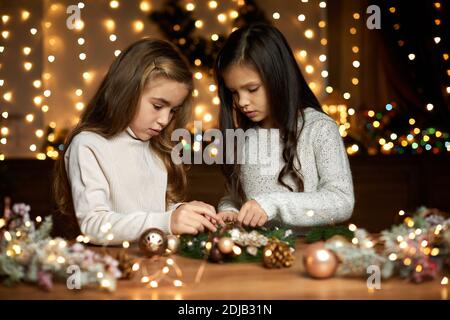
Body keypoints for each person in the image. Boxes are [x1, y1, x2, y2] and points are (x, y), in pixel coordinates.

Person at [54, 38, 222, 245]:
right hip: (113, 269)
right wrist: (168, 221)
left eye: (173, 111)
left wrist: (181, 212)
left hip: (158, 266)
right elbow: (94, 225)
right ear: (127, 91)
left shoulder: (158, 147)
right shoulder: (88, 145)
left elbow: (154, 212)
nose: (164, 120)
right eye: (158, 106)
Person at [214, 24, 354, 234]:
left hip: (306, 252)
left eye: (252, 89)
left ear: (277, 77)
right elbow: (236, 196)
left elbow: (341, 200)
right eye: (234, 92)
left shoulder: (319, 129)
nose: (242, 101)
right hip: (254, 252)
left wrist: (273, 204)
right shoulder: (244, 135)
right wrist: (230, 210)